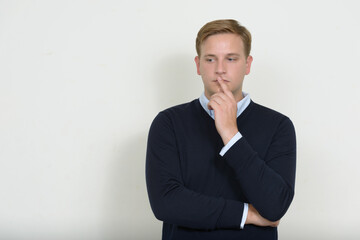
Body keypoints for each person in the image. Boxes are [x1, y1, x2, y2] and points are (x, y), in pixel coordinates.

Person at [146, 19, 296, 240]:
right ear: (198, 65)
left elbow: (274, 206)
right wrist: (247, 214)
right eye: (210, 59)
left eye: (231, 59)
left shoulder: (279, 126)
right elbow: (166, 203)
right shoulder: (168, 123)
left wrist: (231, 134)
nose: (220, 69)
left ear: (247, 64)